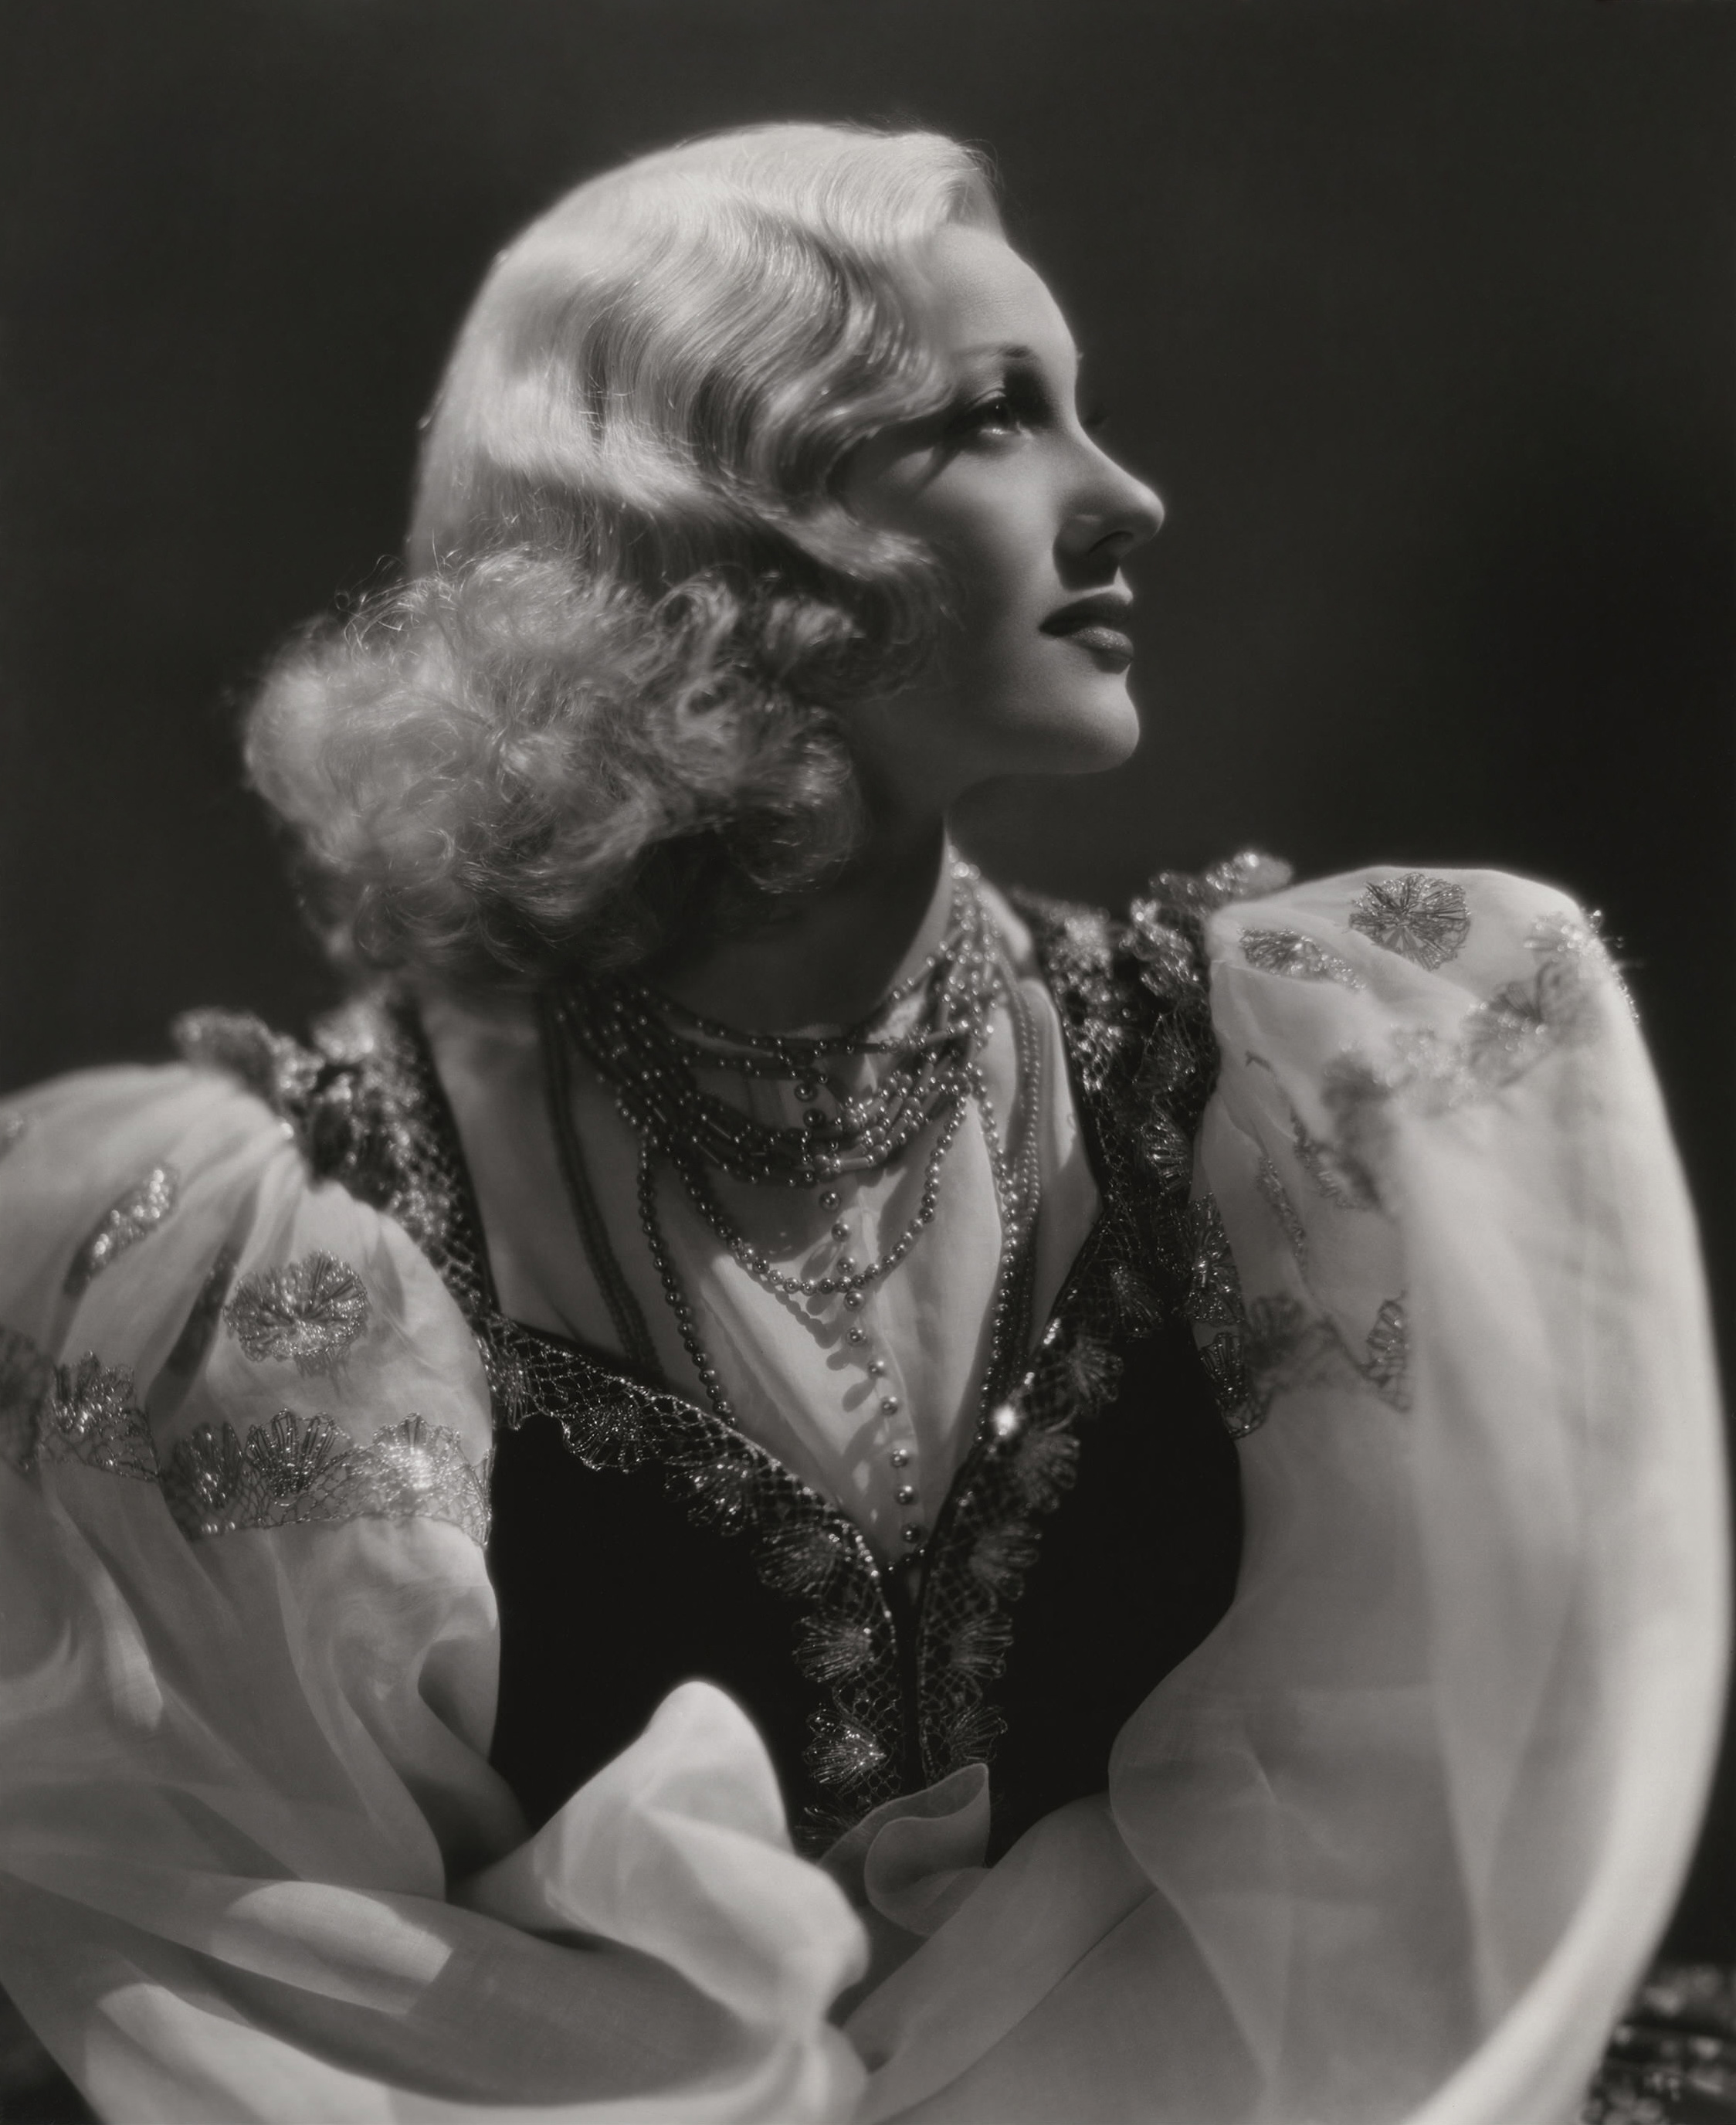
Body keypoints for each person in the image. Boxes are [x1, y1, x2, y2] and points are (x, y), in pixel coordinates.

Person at [0, 121, 1722, 2125]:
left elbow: (1422, 1853)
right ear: (722, 522)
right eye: (996, 420)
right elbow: (287, 1988)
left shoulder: (1301, 1089)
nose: (1127, 497)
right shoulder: (314, 1220)